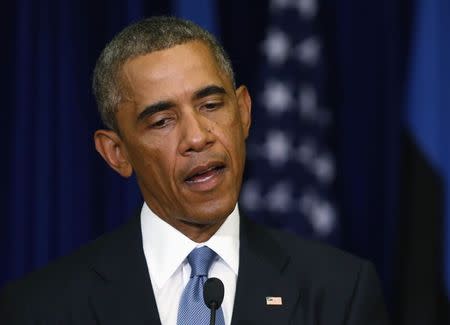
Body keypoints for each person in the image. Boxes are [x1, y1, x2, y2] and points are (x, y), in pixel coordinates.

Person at [0, 16, 389, 324]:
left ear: (244, 112)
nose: (198, 137)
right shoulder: (40, 308)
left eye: (210, 106)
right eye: (162, 121)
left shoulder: (340, 292)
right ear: (116, 152)